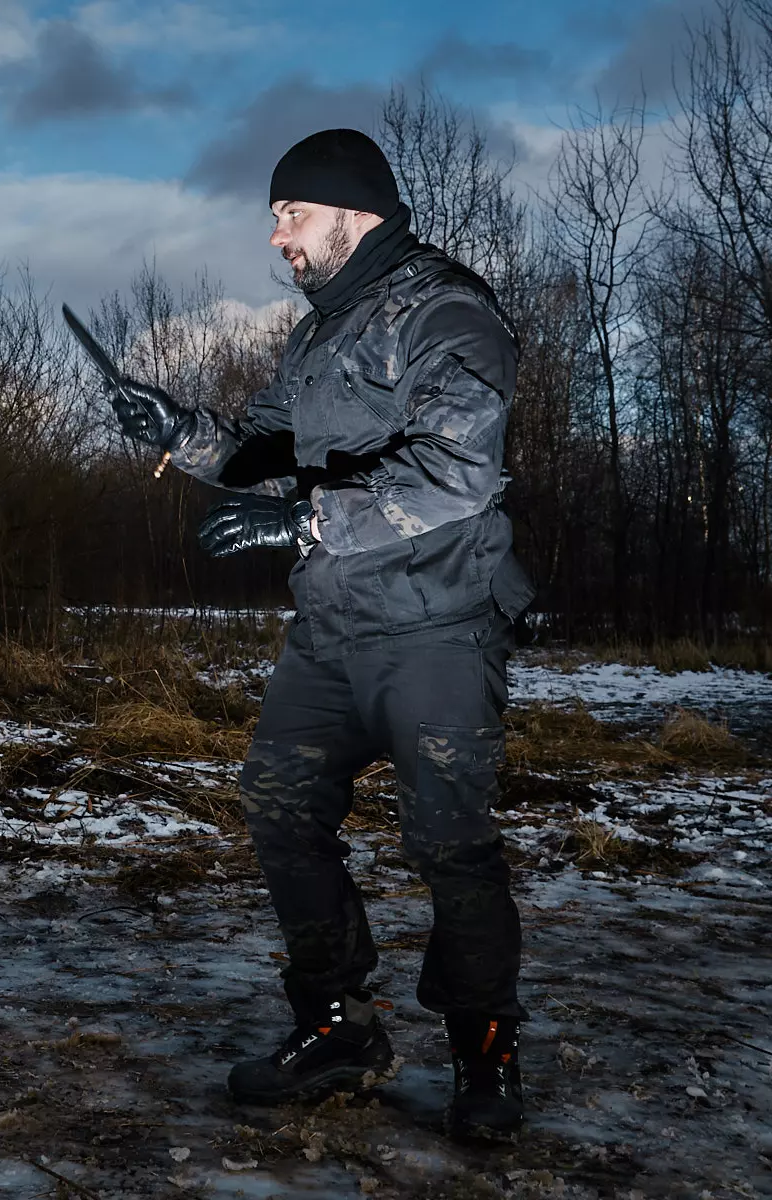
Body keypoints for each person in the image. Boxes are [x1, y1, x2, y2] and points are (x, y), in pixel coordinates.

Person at [109, 129, 533, 1141]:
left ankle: (485, 1053)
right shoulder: (317, 336)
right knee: (280, 807)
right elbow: (262, 449)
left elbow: (456, 473)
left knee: (449, 843)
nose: (277, 235)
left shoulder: (447, 312)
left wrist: (304, 522)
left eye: (291, 213)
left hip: (435, 626)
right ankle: (338, 1025)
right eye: (274, 215)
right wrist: (177, 431)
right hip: (332, 629)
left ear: (353, 211)